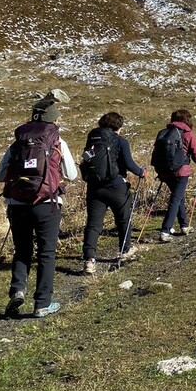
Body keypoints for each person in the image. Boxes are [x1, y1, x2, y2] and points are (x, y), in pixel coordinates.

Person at [0, 95, 78, 318]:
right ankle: (42, 303)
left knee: (22, 250)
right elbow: (71, 174)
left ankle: (17, 290)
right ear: (54, 120)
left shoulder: (18, 143)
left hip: (16, 204)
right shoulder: (58, 142)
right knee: (46, 253)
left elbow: (0, 175)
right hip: (47, 203)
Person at [80, 112, 148, 274]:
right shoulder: (121, 141)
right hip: (117, 185)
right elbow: (129, 163)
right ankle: (124, 250)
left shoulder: (93, 139)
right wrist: (141, 172)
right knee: (124, 218)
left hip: (95, 186)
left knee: (94, 224)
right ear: (119, 126)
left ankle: (89, 260)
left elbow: (86, 159)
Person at [155, 109, 196, 243]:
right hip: (181, 171)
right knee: (176, 199)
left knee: (179, 197)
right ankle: (165, 230)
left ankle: (184, 225)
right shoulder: (188, 134)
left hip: (164, 172)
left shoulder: (163, 133)